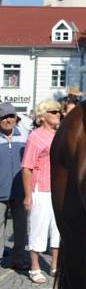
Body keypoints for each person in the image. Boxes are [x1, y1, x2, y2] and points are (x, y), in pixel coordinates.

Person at [21, 100, 62, 283]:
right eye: (54, 111)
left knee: (58, 229)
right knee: (37, 228)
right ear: (43, 116)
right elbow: (26, 167)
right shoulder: (35, 137)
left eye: (59, 111)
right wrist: (28, 195)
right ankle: (35, 267)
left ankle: (55, 265)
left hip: (59, 189)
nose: (58, 114)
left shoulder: (61, 134)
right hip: (41, 189)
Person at [0, 102, 28, 270]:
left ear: (16, 118)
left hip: (20, 190)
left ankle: (18, 257)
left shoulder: (24, 135)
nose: (8, 120)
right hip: (0, 189)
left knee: (21, 227)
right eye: (4, 117)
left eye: (11, 116)